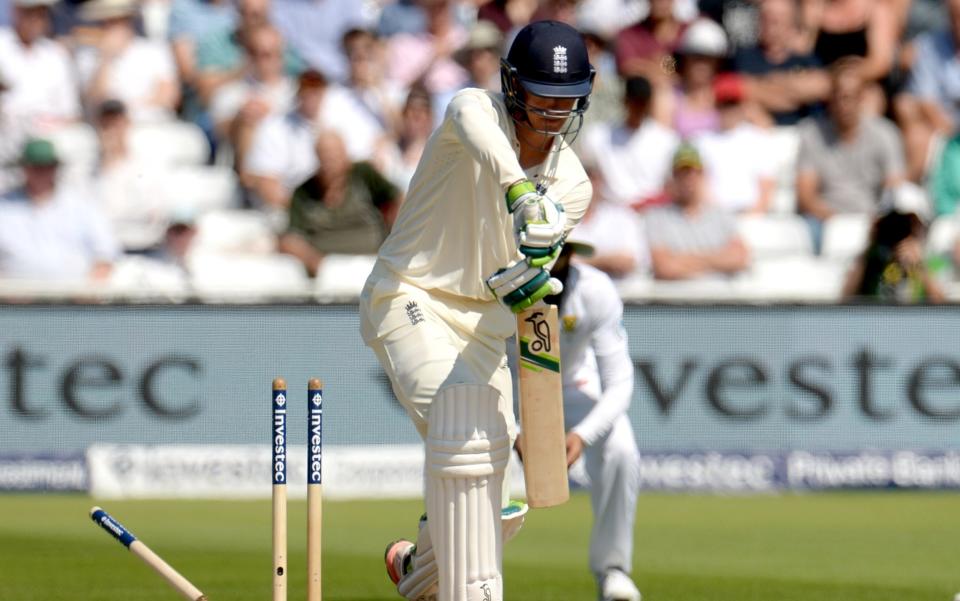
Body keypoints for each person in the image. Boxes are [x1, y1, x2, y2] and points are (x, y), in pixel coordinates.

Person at [362, 20, 594, 601]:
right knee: (467, 434)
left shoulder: (574, 183)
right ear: (513, 87)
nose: (551, 114)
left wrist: (531, 272)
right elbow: (481, 135)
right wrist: (520, 193)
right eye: (542, 96)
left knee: (497, 483)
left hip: (486, 330)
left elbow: (528, 267)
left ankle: (420, 571)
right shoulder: (473, 111)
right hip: (411, 295)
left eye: (565, 101)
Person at [521, 239, 641, 601]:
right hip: (504, 387)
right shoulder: (491, 284)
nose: (551, 257)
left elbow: (620, 381)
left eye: (560, 248)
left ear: (571, 252)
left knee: (620, 448)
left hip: (571, 386)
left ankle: (613, 569)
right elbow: (478, 367)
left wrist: (583, 435)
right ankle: (465, 573)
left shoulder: (595, 289)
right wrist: (513, 433)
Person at [795, 58, 905, 251]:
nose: (845, 104)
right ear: (830, 98)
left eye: (851, 96)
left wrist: (873, 220)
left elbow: (894, 189)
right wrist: (837, 221)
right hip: (824, 221)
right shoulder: (811, 134)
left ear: (862, 97)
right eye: (840, 96)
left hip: (871, 219)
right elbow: (806, 196)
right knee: (805, 232)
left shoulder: (885, 134)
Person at [278, 132, 402, 277]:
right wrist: (315, 262)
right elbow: (290, 238)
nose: (329, 160)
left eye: (334, 154)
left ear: (345, 154)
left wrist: (395, 241)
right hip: (325, 269)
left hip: (373, 261)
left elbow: (398, 199)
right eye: (323, 154)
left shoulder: (364, 175)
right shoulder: (303, 192)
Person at [0, 138, 119, 280]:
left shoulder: (81, 205)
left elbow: (106, 254)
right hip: (13, 296)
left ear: (55, 168)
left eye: (46, 166)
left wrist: (90, 290)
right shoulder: (5, 207)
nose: (41, 172)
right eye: (35, 167)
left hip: (72, 295)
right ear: (24, 169)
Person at [645, 142, 750, 280]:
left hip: (720, 298)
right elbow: (664, 267)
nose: (689, 178)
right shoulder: (657, 217)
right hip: (676, 299)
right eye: (682, 173)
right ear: (674, 177)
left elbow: (740, 258)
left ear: (702, 174)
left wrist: (685, 260)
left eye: (694, 172)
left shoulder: (722, 214)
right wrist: (717, 259)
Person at [73, 0, 179, 122]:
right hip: (108, 129)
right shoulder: (87, 55)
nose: (111, 27)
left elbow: (169, 97)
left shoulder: (154, 50)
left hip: (151, 124)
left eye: (119, 20)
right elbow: (95, 100)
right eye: (106, 21)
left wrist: (130, 109)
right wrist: (105, 58)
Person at [0, 0, 81, 131]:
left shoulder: (57, 55)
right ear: (15, 12)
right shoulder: (2, 44)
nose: (35, 20)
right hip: (7, 131)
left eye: (41, 14)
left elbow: (71, 113)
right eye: (29, 13)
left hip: (49, 133)